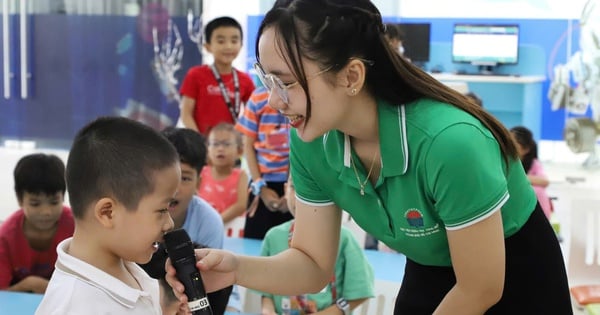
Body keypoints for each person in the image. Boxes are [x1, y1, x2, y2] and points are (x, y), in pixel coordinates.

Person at [166, 1, 572, 314]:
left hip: (514, 273)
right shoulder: (312, 139)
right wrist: (234, 267)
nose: (273, 100)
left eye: (286, 82)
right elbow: (312, 264)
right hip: (430, 261)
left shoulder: (450, 142)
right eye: (266, 79)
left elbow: (481, 286)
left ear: (352, 76)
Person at [36, 117, 180, 315]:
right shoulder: (74, 307)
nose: (169, 224)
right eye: (162, 210)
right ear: (108, 213)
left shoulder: (127, 266)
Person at [260, 175, 374, 315]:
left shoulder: (344, 238)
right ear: (285, 190)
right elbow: (265, 292)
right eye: (295, 187)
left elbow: (360, 292)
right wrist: (268, 311)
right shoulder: (273, 237)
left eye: (315, 188)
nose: (302, 197)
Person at [159, 126, 236, 313]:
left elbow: (209, 289)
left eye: (184, 178)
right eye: (167, 176)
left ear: (199, 183)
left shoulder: (209, 222)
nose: (174, 188)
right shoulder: (137, 216)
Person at [0, 153, 74, 293]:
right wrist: (27, 286)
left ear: (63, 196)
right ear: (20, 200)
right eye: (35, 204)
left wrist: (47, 288)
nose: (46, 211)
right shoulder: (5, 238)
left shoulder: (79, 228)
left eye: (54, 202)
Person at [179, 16, 256, 136]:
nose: (228, 46)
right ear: (207, 46)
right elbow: (186, 114)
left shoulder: (245, 80)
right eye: (221, 41)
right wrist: (200, 143)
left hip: (231, 147)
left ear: (241, 45)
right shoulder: (195, 75)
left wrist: (239, 139)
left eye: (234, 41)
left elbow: (252, 116)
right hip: (202, 145)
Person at [235, 86, 293, 239]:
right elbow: (248, 145)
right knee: (256, 241)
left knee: (290, 242)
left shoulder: (299, 97)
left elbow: (301, 148)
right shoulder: (258, 97)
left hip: (294, 184)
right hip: (261, 185)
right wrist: (260, 187)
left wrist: (291, 191)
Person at [198, 122, 249, 224]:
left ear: (239, 151)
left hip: (232, 230)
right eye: (215, 144)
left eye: (226, 144)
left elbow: (241, 205)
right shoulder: (201, 173)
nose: (220, 149)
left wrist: (217, 221)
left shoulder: (241, 176)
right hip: (203, 226)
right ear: (207, 150)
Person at [510, 126, 553, 219]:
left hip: (531, 215)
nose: (508, 146)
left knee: (537, 191)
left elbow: (545, 181)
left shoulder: (534, 164)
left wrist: (518, 178)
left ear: (526, 149)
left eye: (513, 143)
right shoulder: (505, 162)